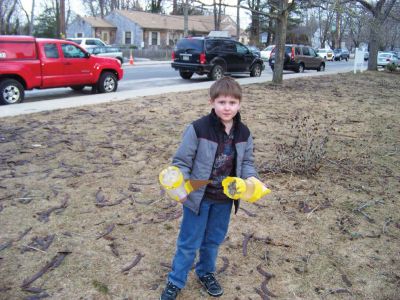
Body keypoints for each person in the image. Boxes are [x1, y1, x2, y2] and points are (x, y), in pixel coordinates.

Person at [160, 77, 259, 300]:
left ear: (239, 104)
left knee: (213, 240)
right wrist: (181, 188)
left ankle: (205, 272)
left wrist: (251, 180)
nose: (227, 107)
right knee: (189, 242)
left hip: (224, 199)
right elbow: (182, 162)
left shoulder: (244, 133)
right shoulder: (198, 129)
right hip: (198, 198)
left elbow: (247, 163)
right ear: (212, 102)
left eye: (232, 103)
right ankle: (176, 281)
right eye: (222, 102)